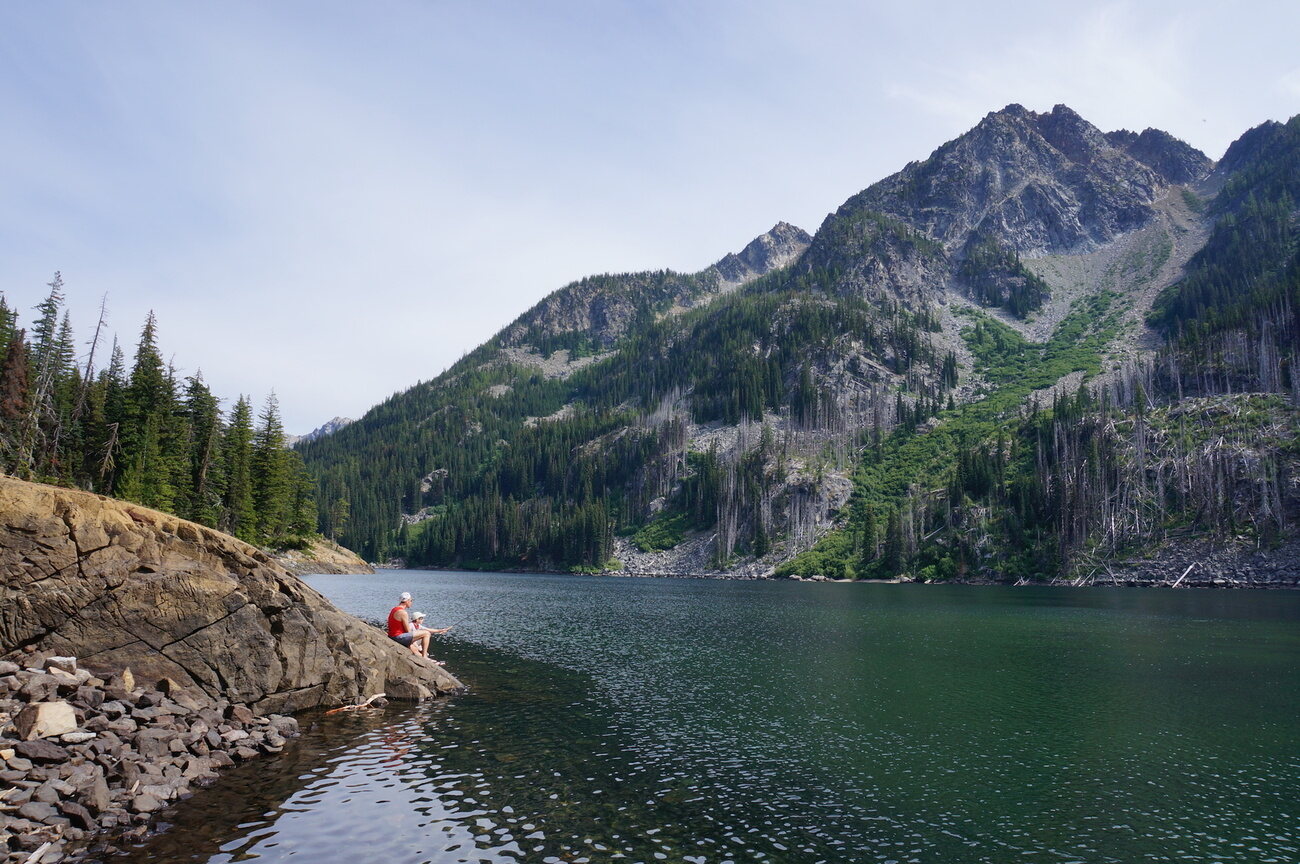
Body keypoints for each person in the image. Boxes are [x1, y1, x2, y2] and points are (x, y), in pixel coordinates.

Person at [387, 592, 432, 659]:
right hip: (398, 637)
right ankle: (425, 656)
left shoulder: (394, 609)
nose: (411, 602)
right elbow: (408, 631)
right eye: (411, 600)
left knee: (414, 648)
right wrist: (415, 640)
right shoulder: (403, 612)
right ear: (406, 601)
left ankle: (427, 659)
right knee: (426, 633)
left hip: (392, 635)